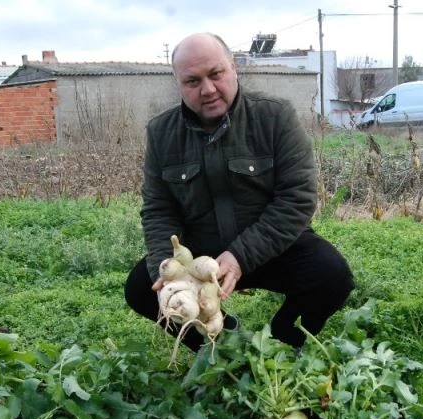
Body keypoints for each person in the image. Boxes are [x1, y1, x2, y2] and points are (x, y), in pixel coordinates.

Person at [124, 32, 354, 351]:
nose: (207, 90)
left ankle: (285, 337)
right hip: (202, 257)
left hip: (269, 248)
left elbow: (296, 200)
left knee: (332, 275)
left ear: (233, 68)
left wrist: (241, 255)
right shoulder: (162, 133)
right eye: (192, 81)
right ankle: (218, 341)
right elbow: (159, 209)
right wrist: (170, 272)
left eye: (215, 74)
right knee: (142, 290)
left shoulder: (275, 116)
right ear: (178, 83)